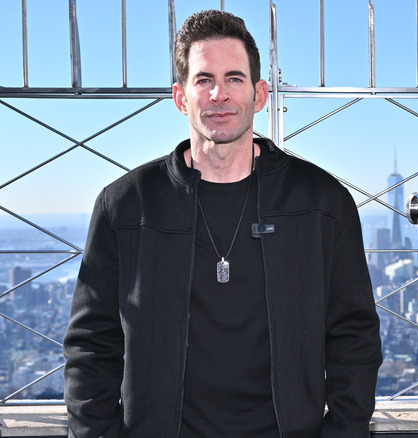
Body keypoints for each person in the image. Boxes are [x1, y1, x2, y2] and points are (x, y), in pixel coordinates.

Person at [63, 9, 382, 438]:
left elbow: (355, 338)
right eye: (203, 80)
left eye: (234, 78)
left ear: (260, 94)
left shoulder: (323, 203)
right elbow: (91, 347)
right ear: (180, 97)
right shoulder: (124, 206)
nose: (219, 95)